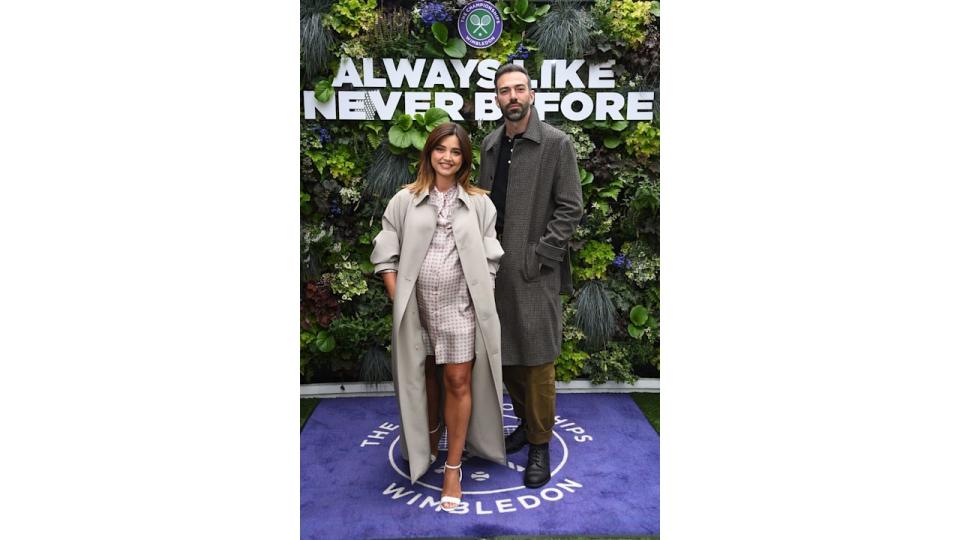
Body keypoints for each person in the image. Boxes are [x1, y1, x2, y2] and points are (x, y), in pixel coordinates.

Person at [371, 122, 507, 512]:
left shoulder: (480, 203)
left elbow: (491, 255)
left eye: (456, 151)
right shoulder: (404, 200)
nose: (447, 157)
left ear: (464, 159)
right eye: (441, 149)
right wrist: (399, 298)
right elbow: (386, 251)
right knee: (424, 374)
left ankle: (452, 467)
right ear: (429, 152)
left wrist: (482, 291)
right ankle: (429, 438)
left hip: (461, 308)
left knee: (458, 379)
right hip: (416, 308)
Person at [476, 64, 584, 489]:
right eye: (504, 91)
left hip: (534, 271)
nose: (512, 96)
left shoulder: (557, 144)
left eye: (519, 88)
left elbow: (570, 207)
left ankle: (539, 444)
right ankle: (524, 424)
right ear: (497, 98)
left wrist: (541, 255)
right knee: (505, 356)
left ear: (532, 94)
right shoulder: (489, 144)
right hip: (492, 269)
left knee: (537, 359)